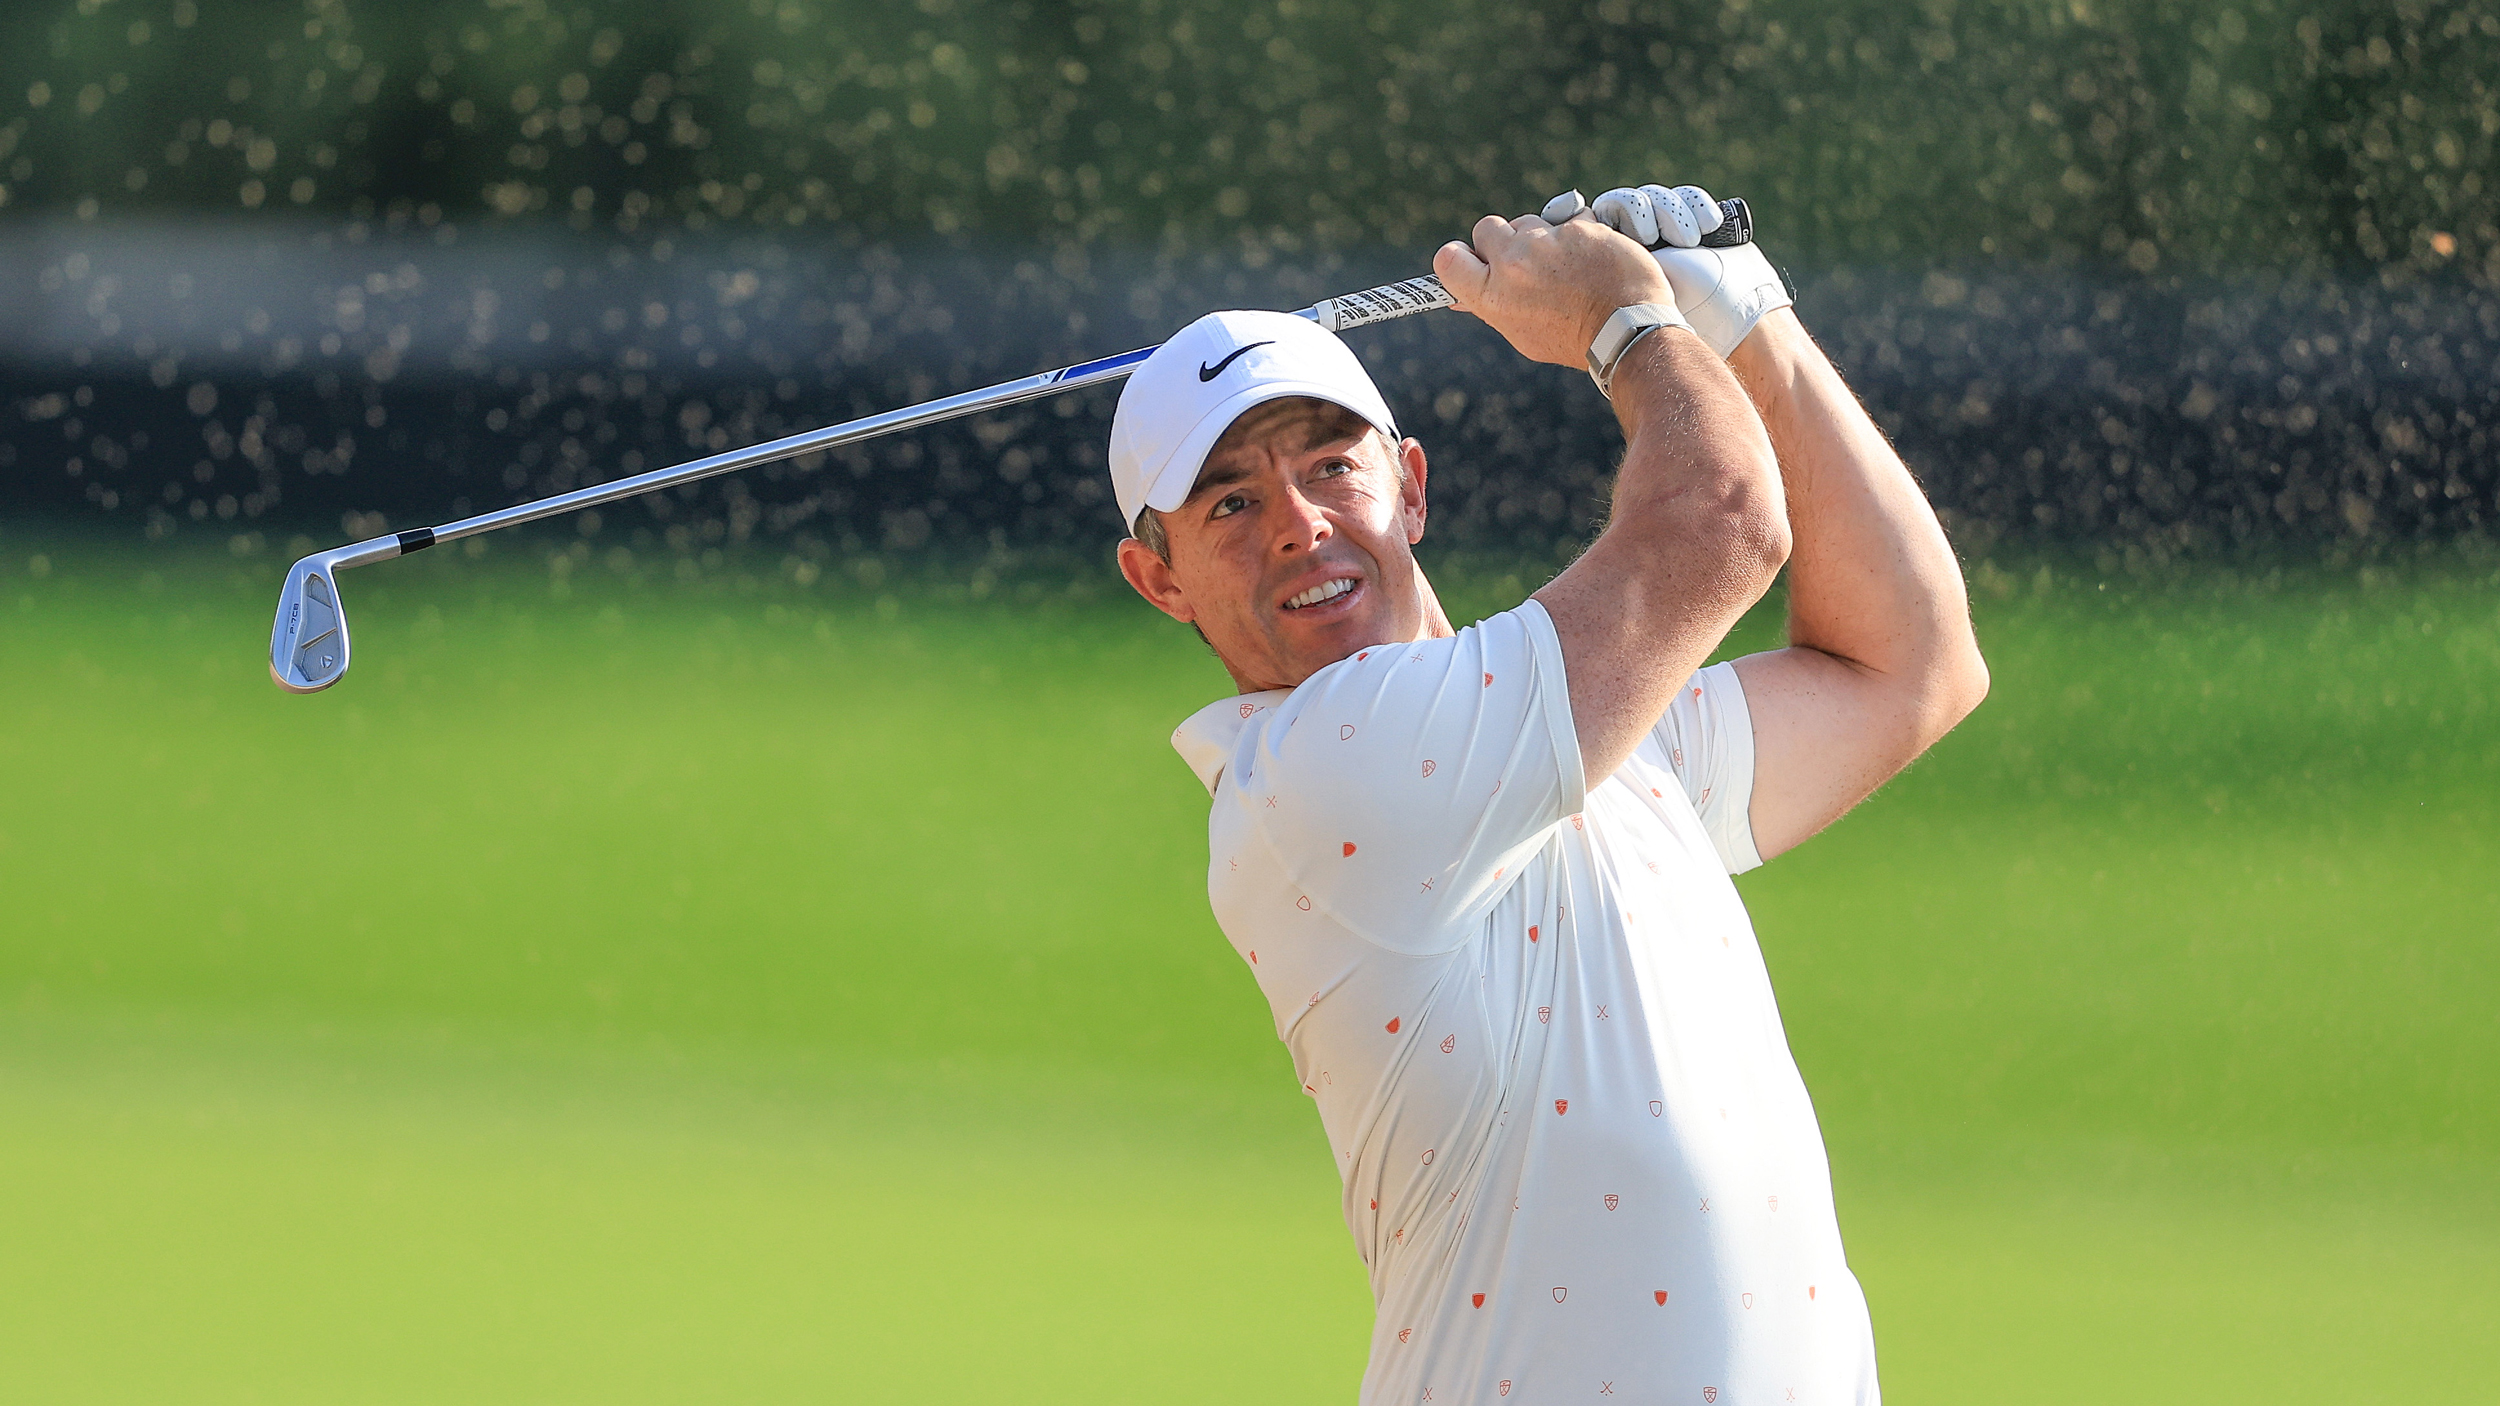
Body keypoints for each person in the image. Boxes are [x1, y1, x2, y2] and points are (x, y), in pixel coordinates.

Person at [1109, 183, 1987, 1405]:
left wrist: (1744, 313)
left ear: (1408, 486)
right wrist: (1626, 322)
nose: (1301, 526)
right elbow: (1722, 521)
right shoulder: (1319, 770)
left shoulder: (1602, 745)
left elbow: (1912, 667)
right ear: (1159, 579)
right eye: (1232, 503)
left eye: (1330, 464)